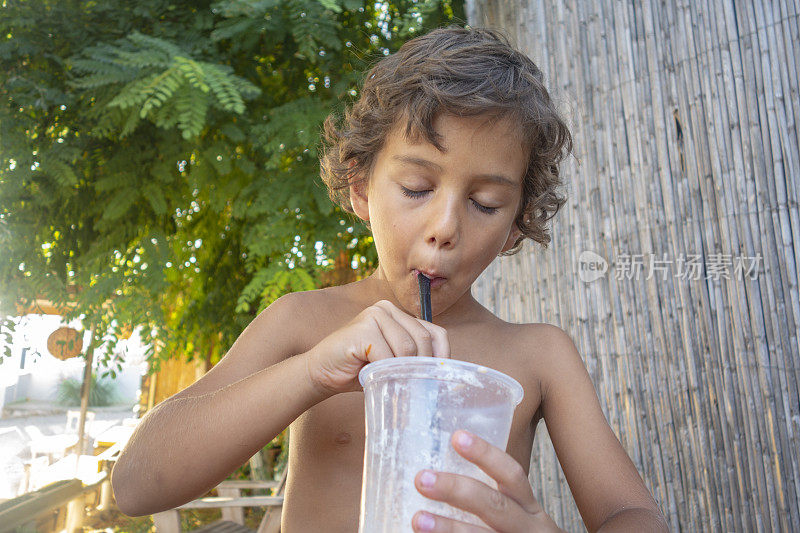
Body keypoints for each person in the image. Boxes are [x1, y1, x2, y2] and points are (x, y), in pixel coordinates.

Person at [112, 26, 669, 532]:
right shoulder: (303, 323)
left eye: (485, 202)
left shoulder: (540, 356)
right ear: (360, 187)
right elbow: (137, 485)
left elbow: (633, 513)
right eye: (417, 189)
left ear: (517, 225)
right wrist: (310, 372)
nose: (444, 228)